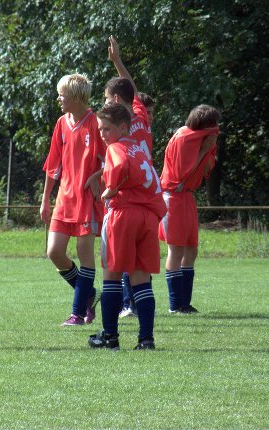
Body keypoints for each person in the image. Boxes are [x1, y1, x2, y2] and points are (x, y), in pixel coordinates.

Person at [88, 102, 166, 350]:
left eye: (107, 129)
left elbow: (119, 166)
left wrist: (110, 188)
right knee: (141, 278)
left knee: (111, 274)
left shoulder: (116, 147)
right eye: (100, 129)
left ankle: (110, 336)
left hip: (124, 214)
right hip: (148, 217)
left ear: (123, 127)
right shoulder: (140, 149)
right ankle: (146, 339)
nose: (103, 134)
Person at [40, 73, 105, 326]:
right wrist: (46, 199)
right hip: (64, 199)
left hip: (86, 199)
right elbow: (53, 164)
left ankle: (77, 313)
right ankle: (88, 292)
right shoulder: (61, 123)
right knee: (54, 252)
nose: (59, 98)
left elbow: (113, 158)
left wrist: (97, 176)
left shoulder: (96, 123)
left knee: (84, 253)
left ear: (77, 97)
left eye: (63, 94)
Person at [105, 36, 155, 319]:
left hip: (128, 196)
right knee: (141, 263)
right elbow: (132, 91)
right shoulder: (141, 118)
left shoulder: (117, 129)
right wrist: (117, 62)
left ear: (114, 100)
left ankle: (127, 306)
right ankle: (139, 310)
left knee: (120, 257)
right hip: (150, 196)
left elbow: (119, 166)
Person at [159, 105, 220, 314]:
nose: (216, 130)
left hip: (187, 197)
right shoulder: (184, 138)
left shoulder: (198, 138)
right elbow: (184, 173)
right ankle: (175, 305)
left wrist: (208, 150)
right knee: (175, 250)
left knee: (191, 249)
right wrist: (204, 149)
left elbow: (204, 171)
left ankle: (185, 302)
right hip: (173, 198)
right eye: (212, 126)